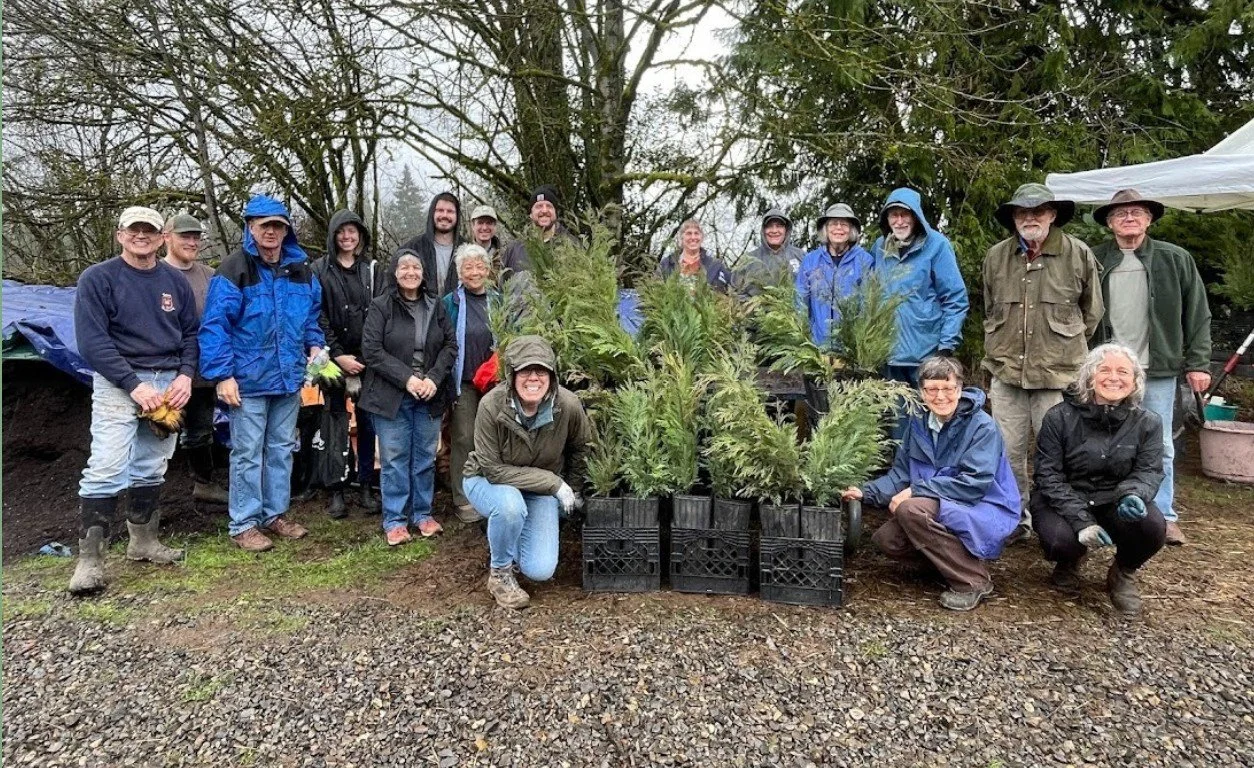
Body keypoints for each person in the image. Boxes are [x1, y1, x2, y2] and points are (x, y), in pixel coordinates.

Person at [69, 206, 199, 595]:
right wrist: (132, 384)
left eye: (150, 231)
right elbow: (92, 342)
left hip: (168, 383)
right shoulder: (98, 279)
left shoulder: (174, 282)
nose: (141, 236)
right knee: (107, 465)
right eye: (133, 230)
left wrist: (186, 375)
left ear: (162, 238)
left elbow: (191, 334)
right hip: (119, 383)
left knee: (151, 464)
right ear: (120, 234)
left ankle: (143, 542)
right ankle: (90, 561)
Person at [843, 356, 1020, 612]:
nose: (940, 396)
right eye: (932, 389)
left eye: (947, 388)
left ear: (959, 389)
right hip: (940, 505)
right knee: (887, 540)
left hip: (984, 505)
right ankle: (951, 564)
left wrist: (917, 490)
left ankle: (973, 581)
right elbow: (901, 474)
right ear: (922, 392)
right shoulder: (918, 424)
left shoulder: (982, 426)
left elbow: (973, 483)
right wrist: (864, 491)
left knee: (910, 510)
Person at [199, 195, 325, 552]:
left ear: (286, 230)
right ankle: (244, 522)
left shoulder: (301, 270)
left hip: (288, 377)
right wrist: (223, 374)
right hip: (248, 379)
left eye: (278, 225)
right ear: (250, 228)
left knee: (282, 448)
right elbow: (215, 325)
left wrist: (315, 347)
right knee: (247, 452)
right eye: (264, 225)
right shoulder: (234, 269)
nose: (271, 231)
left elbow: (310, 319)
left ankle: (274, 514)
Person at [982, 183, 1104, 544]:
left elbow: (1092, 314)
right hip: (1006, 374)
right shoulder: (996, 257)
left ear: (1052, 215)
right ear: (1014, 218)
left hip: (1059, 377)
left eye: (1038, 211)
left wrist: (1061, 348)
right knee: (1007, 452)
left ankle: (1057, 522)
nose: (1030, 218)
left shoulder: (1077, 254)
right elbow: (991, 309)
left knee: (1059, 456)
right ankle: (1014, 520)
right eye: (1022, 212)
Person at [1089, 189, 1212, 547]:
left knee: (1159, 443)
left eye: (1136, 212)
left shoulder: (1175, 259)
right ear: (1110, 222)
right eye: (1121, 213)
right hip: (1107, 369)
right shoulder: (1096, 260)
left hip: (1156, 368)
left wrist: (1198, 361)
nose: (1129, 217)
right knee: (1103, 442)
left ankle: (1164, 515)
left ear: (1150, 219)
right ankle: (1108, 511)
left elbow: (1198, 312)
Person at [1031, 344, 1167, 616]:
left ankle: (1124, 571)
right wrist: (1082, 522)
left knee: (1152, 527)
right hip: (1066, 499)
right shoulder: (1059, 417)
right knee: (1059, 540)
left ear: (1135, 381)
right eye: (1104, 370)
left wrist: (1134, 495)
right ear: (1089, 377)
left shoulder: (1148, 422)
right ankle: (1069, 561)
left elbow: (1149, 470)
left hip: (1114, 500)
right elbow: (1048, 475)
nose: (1113, 377)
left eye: (1123, 372)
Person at [462, 335, 593, 609]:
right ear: (512, 375)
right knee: (509, 506)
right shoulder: (491, 405)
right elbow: (493, 470)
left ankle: (509, 532)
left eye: (541, 370)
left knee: (541, 570)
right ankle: (500, 573)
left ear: (552, 376)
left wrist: (572, 488)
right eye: (525, 370)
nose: (533, 378)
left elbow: (582, 448)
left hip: (537, 491)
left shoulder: (567, 406)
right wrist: (554, 483)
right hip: (486, 481)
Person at [358, 250, 458, 544]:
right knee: (395, 458)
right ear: (395, 272)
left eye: (416, 266)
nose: (410, 272)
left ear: (424, 273)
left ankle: (423, 514)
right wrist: (408, 379)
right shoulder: (381, 306)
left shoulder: (435, 305)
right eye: (404, 267)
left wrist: (433, 379)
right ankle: (395, 520)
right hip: (391, 395)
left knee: (425, 458)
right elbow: (372, 350)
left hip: (429, 394)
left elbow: (450, 347)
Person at [311, 209, 388, 517]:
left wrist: (366, 357)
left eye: (352, 231)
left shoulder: (372, 270)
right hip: (332, 360)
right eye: (341, 231)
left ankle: (367, 485)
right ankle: (336, 489)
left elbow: (381, 312)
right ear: (333, 235)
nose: (347, 237)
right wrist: (338, 355)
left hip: (368, 361)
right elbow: (317, 316)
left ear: (360, 235)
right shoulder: (319, 270)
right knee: (334, 424)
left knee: (368, 424)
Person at [869, 188, 969, 385]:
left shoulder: (937, 246)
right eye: (893, 215)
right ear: (886, 219)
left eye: (904, 214)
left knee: (929, 412)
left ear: (916, 216)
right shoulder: (879, 247)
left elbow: (955, 299)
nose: (899, 221)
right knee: (895, 414)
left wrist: (946, 346)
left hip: (926, 356)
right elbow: (869, 295)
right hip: (887, 356)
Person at [162, 213, 228, 505]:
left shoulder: (210, 275)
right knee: (160, 428)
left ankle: (204, 483)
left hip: (203, 369)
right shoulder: (156, 273)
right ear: (167, 237)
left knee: (200, 428)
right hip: (164, 369)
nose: (191, 242)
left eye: (195, 237)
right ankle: (154, 491)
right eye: (184, 236)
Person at [443, 244, 500, 523]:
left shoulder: (500, 301)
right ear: (459, 272)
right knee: (464, 437)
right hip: (463, 382)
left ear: (488, 270)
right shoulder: (450, 303)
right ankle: (463, 497)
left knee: (494, 439)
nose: (475, 272)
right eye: (468, 267)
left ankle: (494, 493)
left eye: (480, 266)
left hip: (495, 383)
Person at [795, 203, 874, 348]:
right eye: (833, 224)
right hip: (816, 347)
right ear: (825, 229)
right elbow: (800, 301)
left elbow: (867, 306)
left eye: (844, 224)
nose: (838, 228)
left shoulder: (865, 261)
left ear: (851, 230)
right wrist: (803, 337)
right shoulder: (811, 260)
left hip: (852, 349)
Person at [498, 185, 577, 280]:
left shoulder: (573, 246)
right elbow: (500, 286)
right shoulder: (514, 250)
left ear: (555, 213)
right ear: (530, 214)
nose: (544, 210)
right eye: (539, 206)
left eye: (549, 206)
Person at [399, 192, 462, 299]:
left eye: (450, 211)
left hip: (457, 313)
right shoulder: (412, 248)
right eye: (440, 210)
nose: (445, 215)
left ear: (457, 216)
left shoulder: (466, 250)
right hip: (421, 313)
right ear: (432, 213)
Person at [739, 208, 806, 296]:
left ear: (786, 230)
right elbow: (735, 294)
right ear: (763, 230)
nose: (774, 231)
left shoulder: (801, 256)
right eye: (769, 226)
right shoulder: (748, 261)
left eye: (779, 226)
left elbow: (813, 291)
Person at [655, 219, 734, 293]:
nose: (693, 237)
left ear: (702, 238)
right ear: (682, 238)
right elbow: (654, 291)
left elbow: (733, 289)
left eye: (696, 233)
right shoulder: (667, 264)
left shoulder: (715, 265)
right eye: (689, 233)